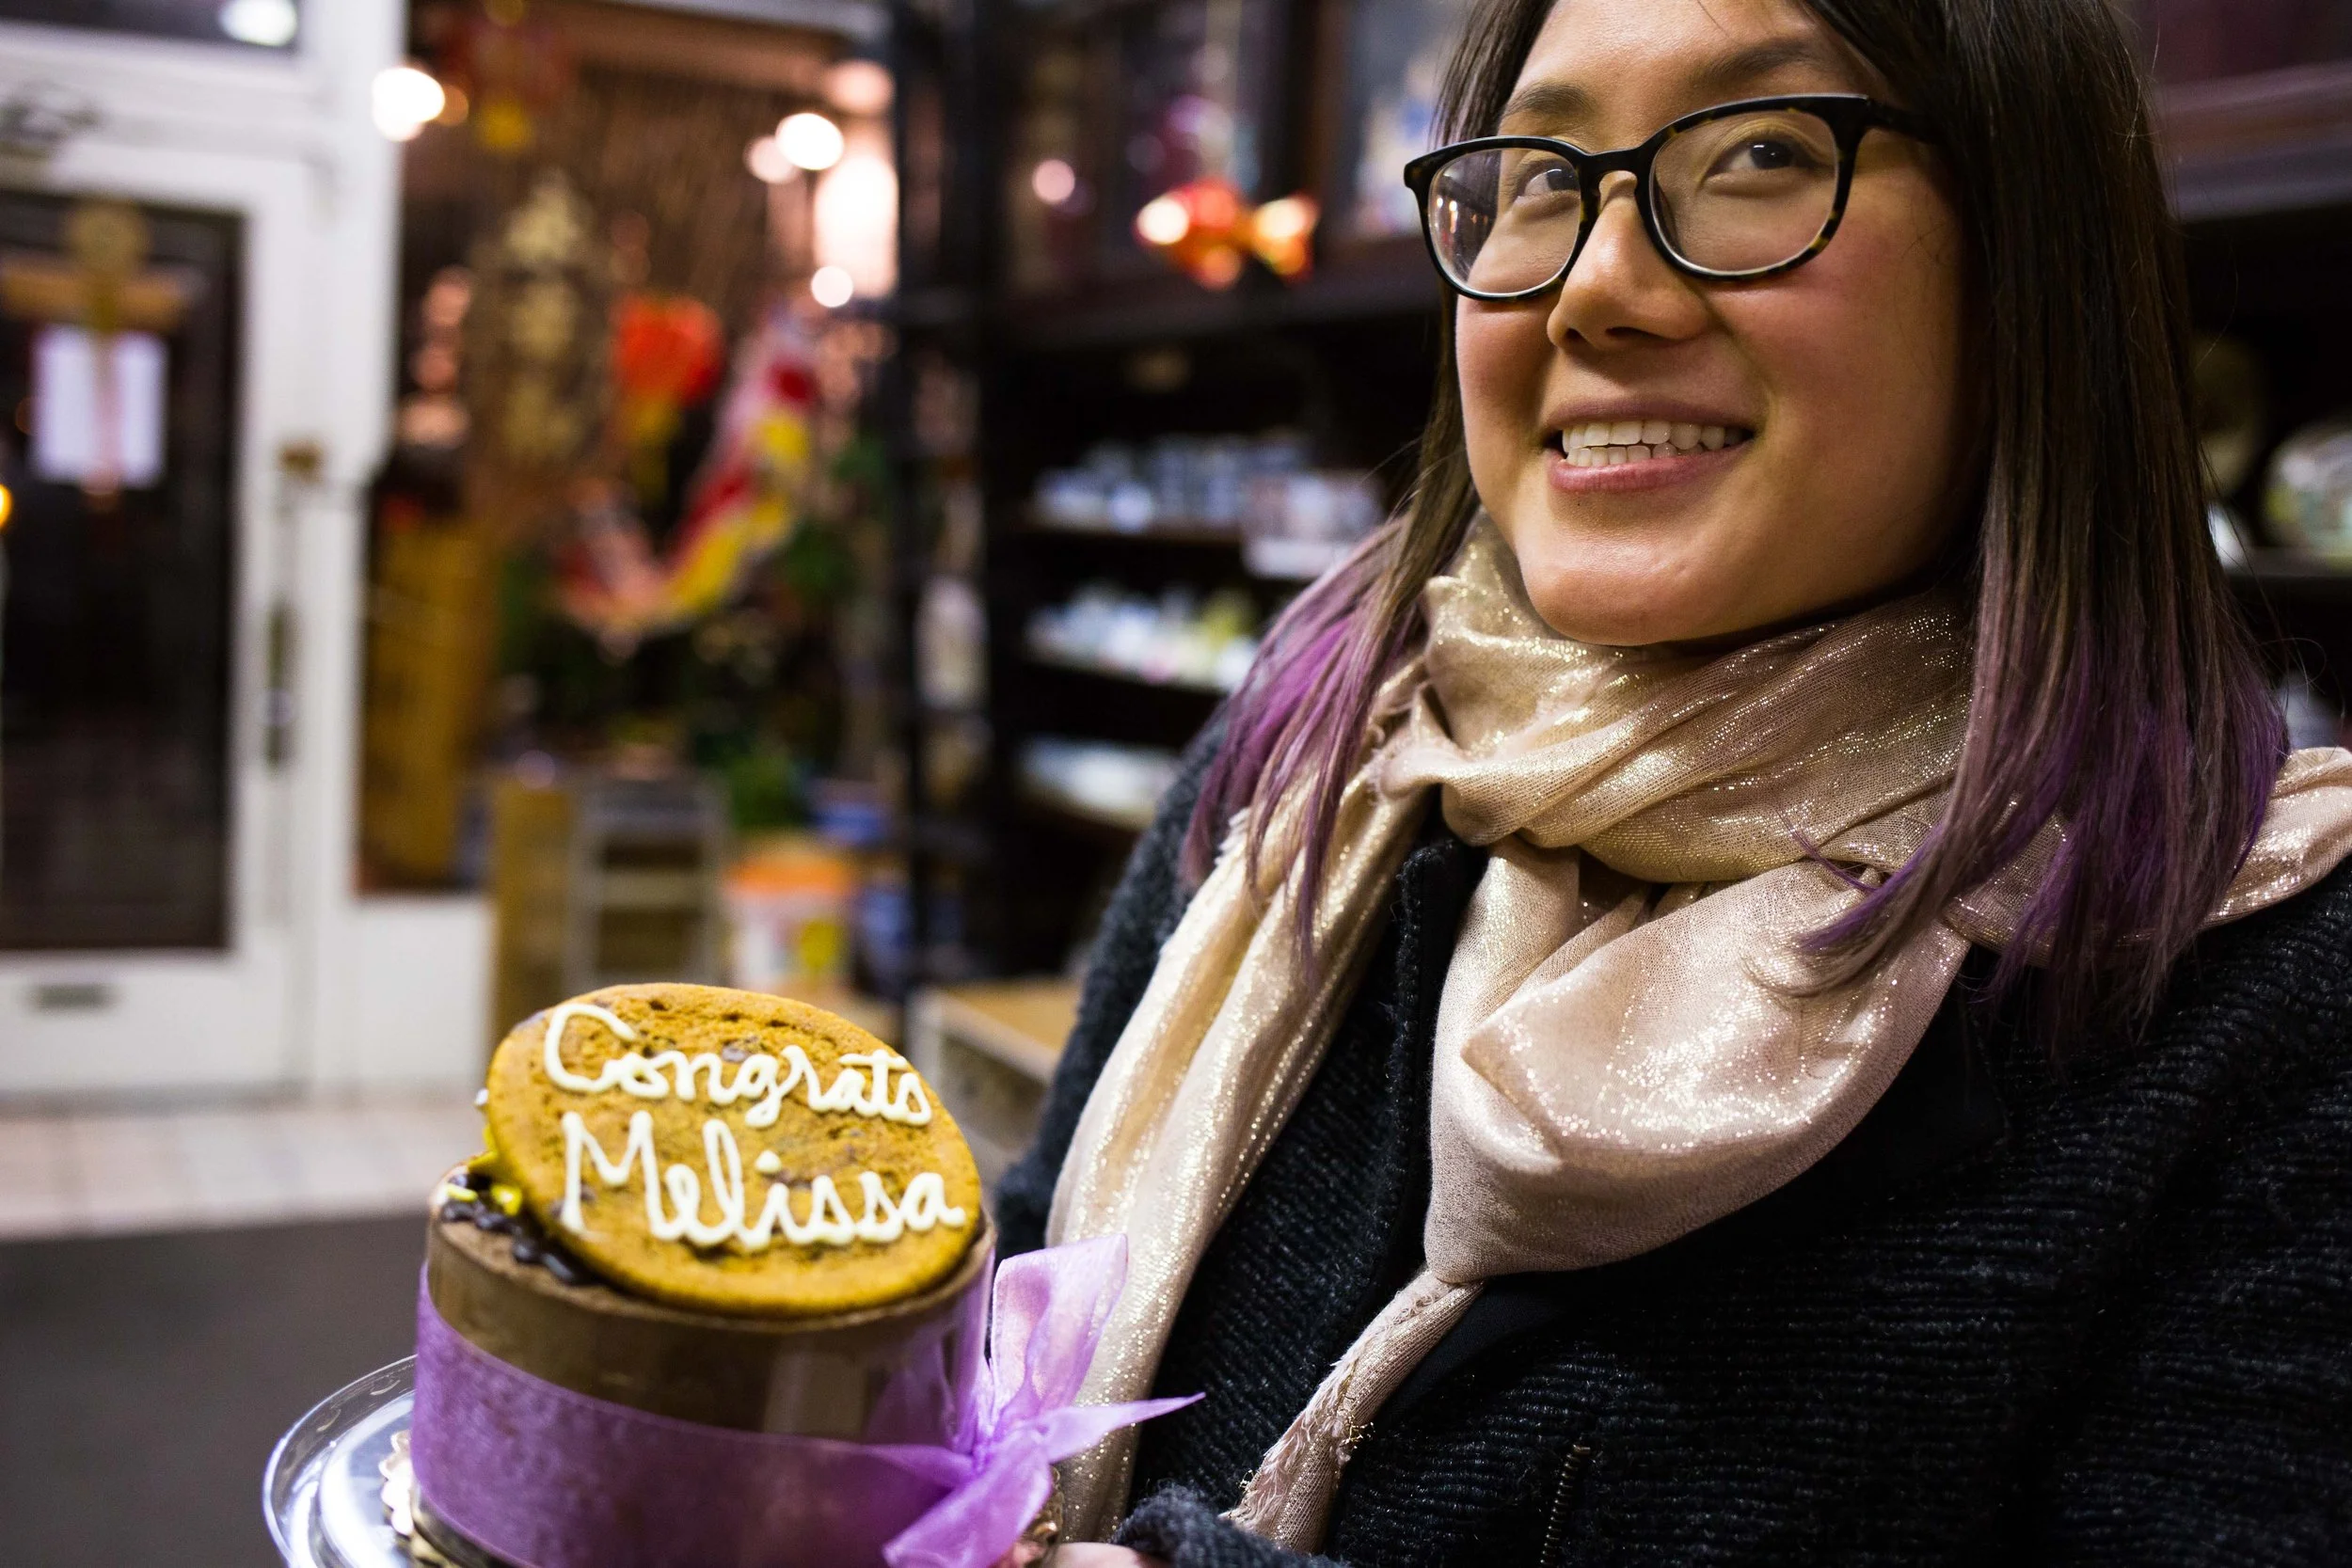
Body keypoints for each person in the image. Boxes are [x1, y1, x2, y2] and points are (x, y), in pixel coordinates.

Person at [1008, 0, 2352, 1561]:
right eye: (1534, 182)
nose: (1595, 288)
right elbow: (1025, 1299)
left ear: (2029, 262)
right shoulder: (1312, 769)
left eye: (1761, 155)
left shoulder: (2260, 1004)